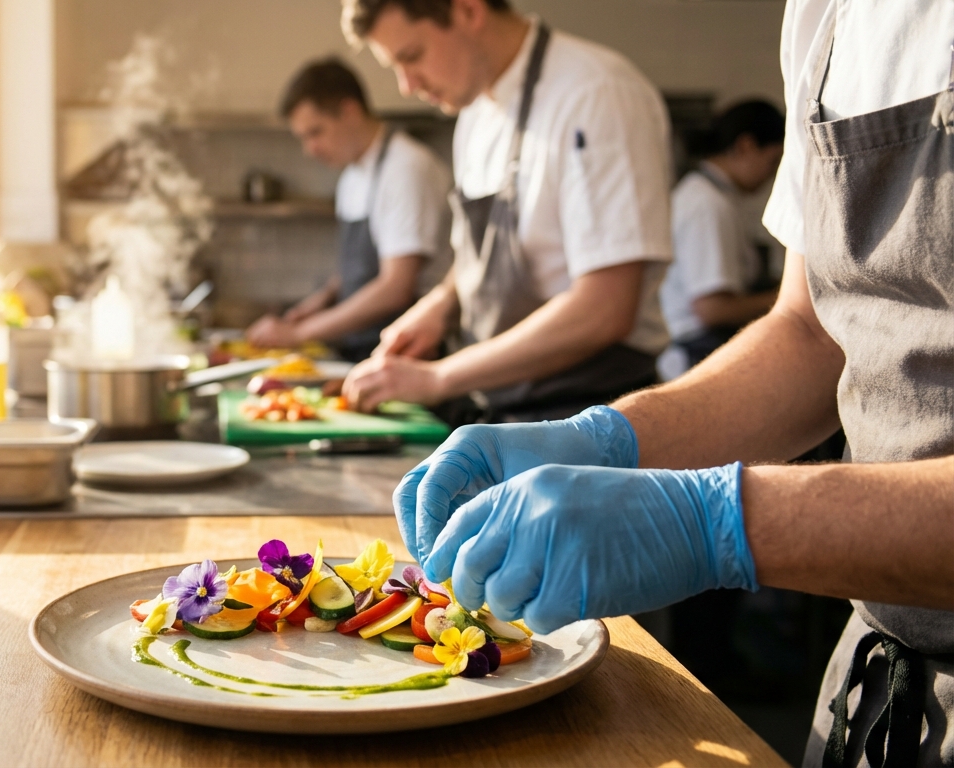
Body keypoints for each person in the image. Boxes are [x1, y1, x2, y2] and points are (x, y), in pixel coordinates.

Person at [395, 1, 954, 764]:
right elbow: (813, 332)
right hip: (883, 682)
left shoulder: (594, 90)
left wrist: (715, 521)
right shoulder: (823, 15)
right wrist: (609, 440)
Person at [339, 0, 673, 424]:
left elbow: (605, 308)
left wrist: (440, 377)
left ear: (468, 11)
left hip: (589, 417)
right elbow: (481, 258)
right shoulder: (475, 115)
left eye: (412, 56)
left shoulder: (596, 94)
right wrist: (441, 305)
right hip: (504, 407)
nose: (407, 85)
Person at [246, 58, 451, 362]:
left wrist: (300, 333)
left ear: (349, 111)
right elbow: (361, 268)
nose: (310, 149)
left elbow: (396, 287)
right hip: (362, 348)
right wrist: (323, 300)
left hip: (408, 355)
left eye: (316, 132)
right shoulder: (351, 177)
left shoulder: (406, 168)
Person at [660, 100, 785, 377]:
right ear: (746, 146)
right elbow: (712, 309)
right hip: (697, 352)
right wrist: (787, 297)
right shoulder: (707, 204)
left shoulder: (715, 196)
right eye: (773, 161)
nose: (772, 174)